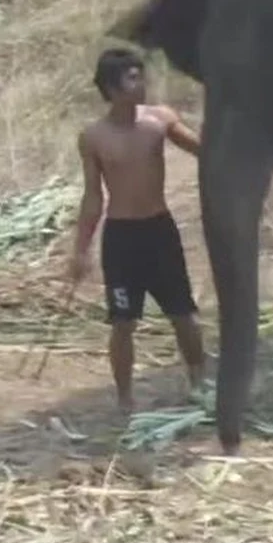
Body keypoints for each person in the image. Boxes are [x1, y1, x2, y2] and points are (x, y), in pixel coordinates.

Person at [67, 47, 206, 414]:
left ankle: (199, 384)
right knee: (123, 322)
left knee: (183, 314)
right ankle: (125, 399)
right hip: (122, 238)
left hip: (160, 231)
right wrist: (81, 250)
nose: (142, 83)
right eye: (132, 79)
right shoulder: (94, 137)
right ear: (112, 89)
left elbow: (203, 151)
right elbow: (93, 196)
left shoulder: (160, 120)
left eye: (141, 75)